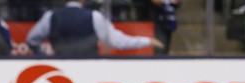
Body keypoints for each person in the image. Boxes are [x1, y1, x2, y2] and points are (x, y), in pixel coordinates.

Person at [26, 0, 165, 57]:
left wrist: (44, 55)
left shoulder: (51, 16)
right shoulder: (94, 17)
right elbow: (118, 42)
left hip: (59, 66)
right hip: (89, 68)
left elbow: (32, 40)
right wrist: (147, 40)